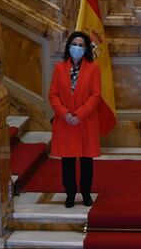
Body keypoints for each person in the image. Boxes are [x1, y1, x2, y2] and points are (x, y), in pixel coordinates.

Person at [49, 31, 101, 208]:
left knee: (86, 161)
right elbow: (53, 95)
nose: (77, 48)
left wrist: (79, 115)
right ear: (68, 46)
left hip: (85, 121)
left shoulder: (93, 68)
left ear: (86, 48)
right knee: (68, 161)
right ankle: (70, 193)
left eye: (81, 45)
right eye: (74, 44)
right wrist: (66, 114)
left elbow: (96, 95)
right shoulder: (59, 67)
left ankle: (86, 193)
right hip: (65, 122)